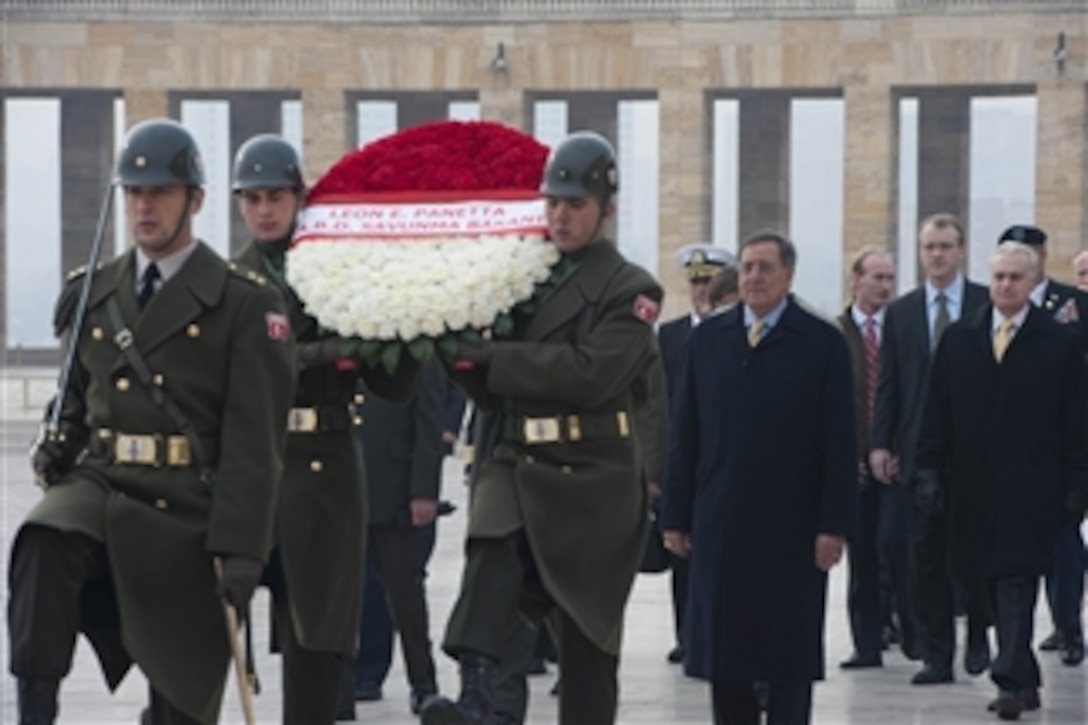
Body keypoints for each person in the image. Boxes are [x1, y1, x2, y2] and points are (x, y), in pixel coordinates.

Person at [9, 119, 296, 724]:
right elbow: (79, 400)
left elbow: (255, 439)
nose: (144, 205)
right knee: (42, 540)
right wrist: (59, 444)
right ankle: (35, 709)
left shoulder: (244, 301)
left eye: (161, 191)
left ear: (195, 199)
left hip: (189, 501)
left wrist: (244, 546)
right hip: (106, 484)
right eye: (134, 193)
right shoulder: (95, 290)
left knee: (182, 701)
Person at [420, 130, 663, 725]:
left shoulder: (630, 289)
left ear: (605, 212)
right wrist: (456, 353)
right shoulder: (522, 279)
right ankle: (476, 691)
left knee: (585, 644)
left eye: (575, 205)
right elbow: (496, 384)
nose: (559, 216)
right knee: (492, 549)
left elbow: (591, 375)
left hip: (592, 482)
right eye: (552, 203)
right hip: (518, 459)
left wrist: (494, 360)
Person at [231, 133, 420, 723]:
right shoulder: (226, 284)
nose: (265, 210)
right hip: (257, 464)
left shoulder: (338, 271)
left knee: (323, 635)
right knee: (212, 626)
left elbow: (395, 384)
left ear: (299, 197)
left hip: (327, 463)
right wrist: (320, 354)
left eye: (276, 197)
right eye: (253, 198)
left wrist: (398, 319)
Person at [661, 231, 858, 724]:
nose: (753, 277)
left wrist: (833, 525)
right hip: (722, 521)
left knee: (787, 655)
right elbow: (685, 433)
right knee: (726, 657)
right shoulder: (708, 340)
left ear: (788, 275)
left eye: (765, 268)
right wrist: (675, 515)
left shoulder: (821, 342)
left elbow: (839, 441)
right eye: (747, 267)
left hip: (792, 526)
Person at [915, 241, 1088, 720]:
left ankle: (1009, 678)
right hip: (969, 488)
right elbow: (937, 414)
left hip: (1032, 488)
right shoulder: (960, 340)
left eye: (1016, 277)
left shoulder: (1059, 343)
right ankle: (1025, 674)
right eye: (999, 277)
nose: (1006, 286)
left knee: (1017, 581)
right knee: (983, 584)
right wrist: (927, 470)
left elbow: (1076, 420)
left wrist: (1078, 484)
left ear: (1033, 283)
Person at [870, 213, 991, 685]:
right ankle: (937, 654)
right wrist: (881, 443)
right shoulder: (901, 312)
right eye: (928, 247)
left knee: (978, 555)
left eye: (945, 246)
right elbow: (889, 385)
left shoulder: (984, 303)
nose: (936, 255)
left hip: (977, 453)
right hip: (921, 455)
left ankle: (980, 631)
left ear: (961, 250)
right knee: (926, 559)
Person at [998, 225, 1088, 667]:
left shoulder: (1074, 303)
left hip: (1058, 449)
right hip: (1007, 454)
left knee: (1064, 546)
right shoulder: (988, 314)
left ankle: (1069, 625)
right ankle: (1012, 648)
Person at [351, 358, 446, 714]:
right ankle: (344, 679)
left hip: (394, 485)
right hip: (343, 483)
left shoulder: (412, 340)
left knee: (404, 591)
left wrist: (424, 490)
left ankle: (423, 681)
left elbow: (429, 418)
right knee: (340, 593)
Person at [655, 242, 735, 664]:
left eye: (708, 281)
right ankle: (686, 634)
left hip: (721, 458)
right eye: (696, 281)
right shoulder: (670, 335)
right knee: (681, 554)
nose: (701, 289)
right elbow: (658, 402)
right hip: (681, 458)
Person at [836, 246, 908, 670]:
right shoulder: (834, 334)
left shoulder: (902, 328)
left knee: (897, 545)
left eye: (889, 279)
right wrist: (850, 457)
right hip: (853, 465)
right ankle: (866, 642)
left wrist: (896, 448)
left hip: (896, 461)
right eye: (877, 277)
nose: (884, 286)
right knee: (861, 556)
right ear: (856, 281)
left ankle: (903, 623)